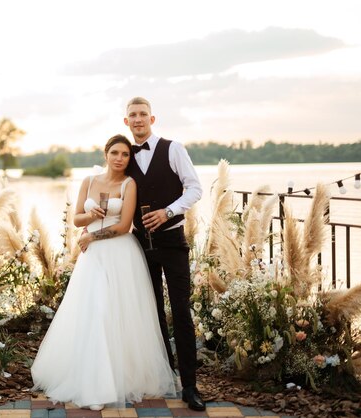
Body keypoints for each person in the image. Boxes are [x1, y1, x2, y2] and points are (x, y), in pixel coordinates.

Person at [31, 134, 176, 410]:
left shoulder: (128, 184)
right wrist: (92, 217)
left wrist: (92, 237)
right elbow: (76, 219)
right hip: (93, 258)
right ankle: (92, 378)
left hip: (120, 253)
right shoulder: (89, 181)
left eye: (125, 155)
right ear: (106, 154)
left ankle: (118, 378)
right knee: (92, 311)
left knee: (115, 312)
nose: (120, 159)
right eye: (115, 153)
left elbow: (124, 226)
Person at [123, 97, 206, 411]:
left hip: (172, 243)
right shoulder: (124, 156)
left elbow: (195, 188)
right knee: (153, 313)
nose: (139, 119)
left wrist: (168, 212)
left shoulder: (173, 149)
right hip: (140, 247)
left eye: (143, 114)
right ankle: (165, 377)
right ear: (126, 122)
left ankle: (189, 387)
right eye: (133, 115)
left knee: (181, 313)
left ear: (152, 119)